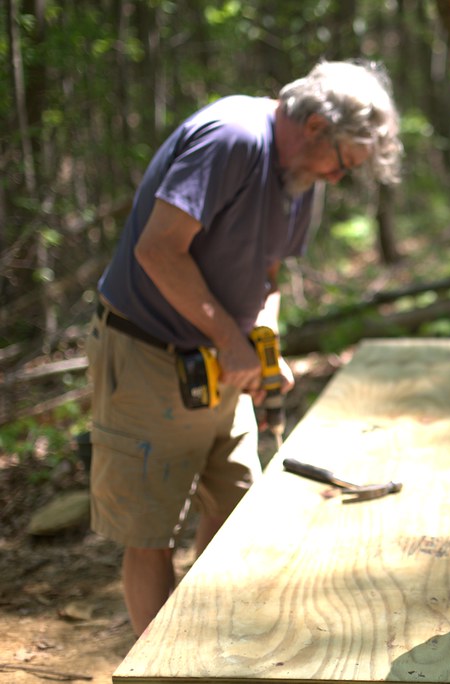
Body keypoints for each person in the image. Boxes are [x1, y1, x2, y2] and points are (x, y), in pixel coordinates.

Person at [86, 59, 402, 637]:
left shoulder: (300, 179)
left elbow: (268, 273)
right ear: (315, 127)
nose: (337, 178)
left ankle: (207, 646)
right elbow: (157, 252)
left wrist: (260, 343)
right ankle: (162, 674)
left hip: (218, 363)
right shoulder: (231, 139)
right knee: (149, 533)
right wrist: (232, 341)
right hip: (146, 357)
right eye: (342, 163)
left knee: (232, 509)